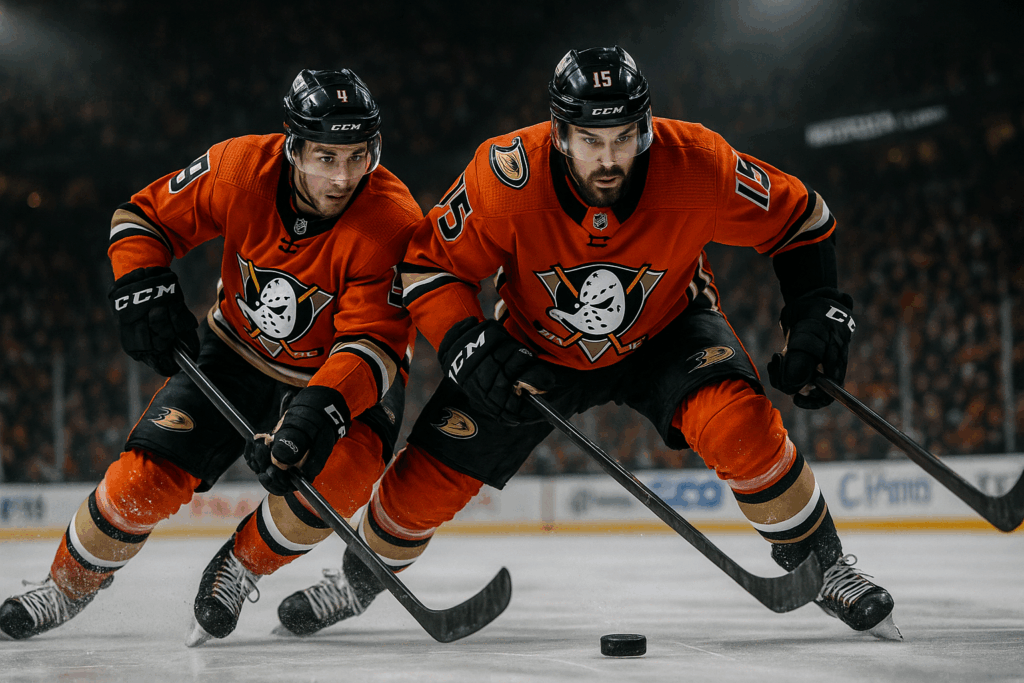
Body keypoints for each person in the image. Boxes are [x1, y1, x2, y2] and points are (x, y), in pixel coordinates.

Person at [272, 46, 902, 641]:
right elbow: (429, 266)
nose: (608, 159)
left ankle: (828, 566)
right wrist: (465, 341)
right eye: (592, 141)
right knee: (422, 483)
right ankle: (357, 582)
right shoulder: (505, 176)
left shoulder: (698, 163)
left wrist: (816, 307)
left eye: (623, 138)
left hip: (667, 331)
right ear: (562, 133)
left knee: (740, 425)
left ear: (646, 130)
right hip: (531, 346)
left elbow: (802, 218)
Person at [0, 68, 422, 645]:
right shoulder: (238, 169)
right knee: (140, 481)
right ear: (293, 145)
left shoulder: (393, 220)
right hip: (235, 350)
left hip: (341, 375)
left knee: (338, 484)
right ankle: (66, 587)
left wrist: (315, 413)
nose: (343, 176)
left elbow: (373, 343)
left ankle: (239, 567)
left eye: (357, 156)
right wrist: (141, 283)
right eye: (326, 156)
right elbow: (142, 218)